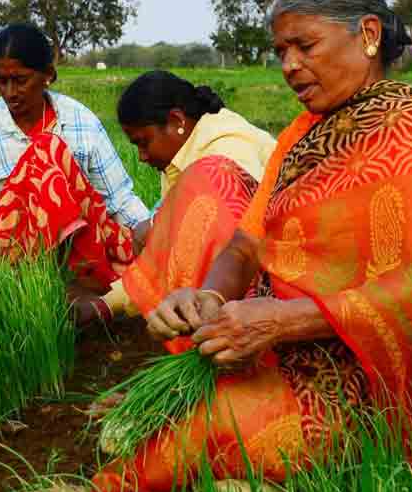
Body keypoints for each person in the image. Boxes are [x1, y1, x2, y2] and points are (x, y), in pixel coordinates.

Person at [93, 0, 412, 492]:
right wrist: (209, 297)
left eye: (304, 46)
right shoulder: (302, 135)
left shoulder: (409, 130)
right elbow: (245, 244)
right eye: (281, 51)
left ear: (369, 35)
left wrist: (285, 323)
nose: (289, 66)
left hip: (372, 377)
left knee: (196, 441)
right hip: (290, 343)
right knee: (176, 424)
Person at [0, 24, 148, 287]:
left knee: (52, 154)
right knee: (46, 152)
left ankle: (88, 281)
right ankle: (63, 280)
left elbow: (118, 198)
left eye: (20, 80)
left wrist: (149, 232)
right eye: (1, 81)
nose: (10, 92)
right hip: (7, 254)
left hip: (76, 243)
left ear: (48, 75)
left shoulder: (80, 122)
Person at [75, 71, 276, 332]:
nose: (142, 157)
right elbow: (165, 247)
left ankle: (206, 331)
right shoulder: (181, 158)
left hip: (263, 285)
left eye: (144, 143)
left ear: (177, 121)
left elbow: (229, 243)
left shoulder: (225, 154)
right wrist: (107, 303)